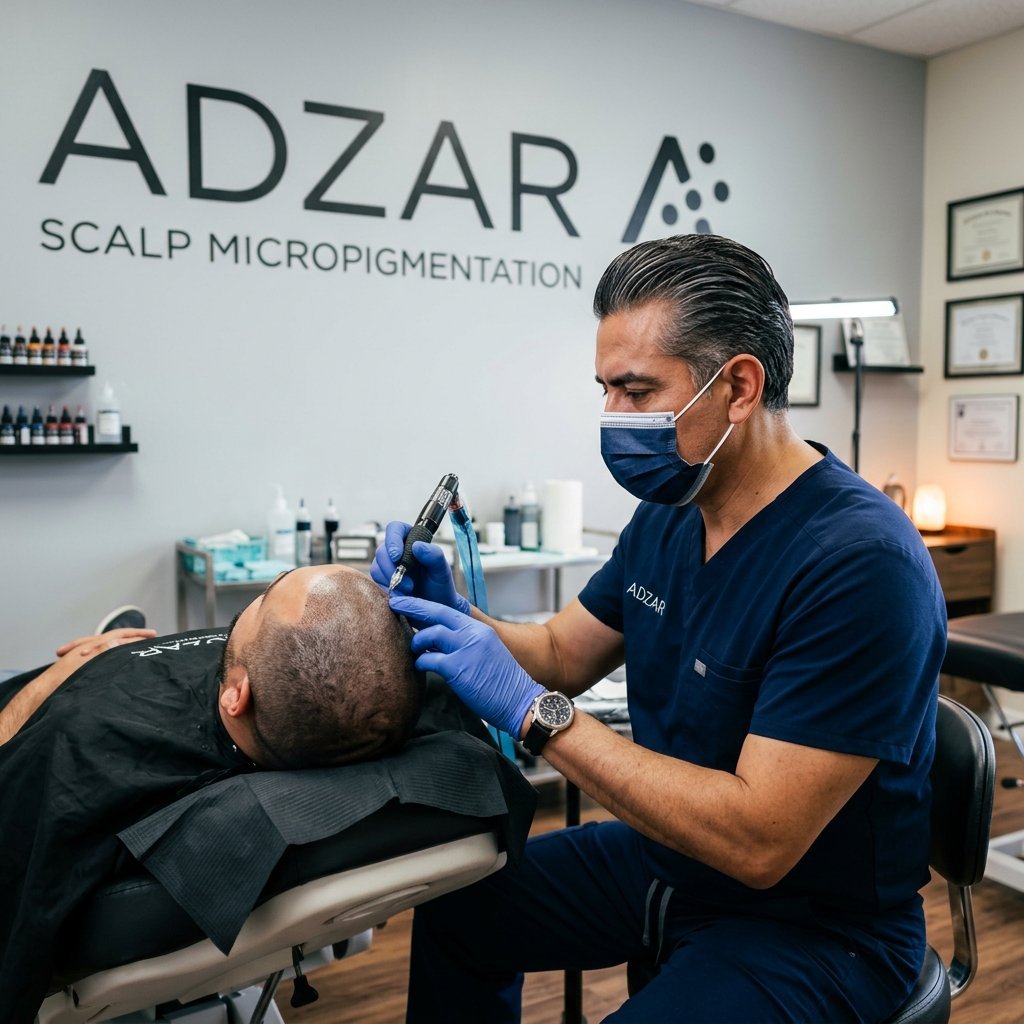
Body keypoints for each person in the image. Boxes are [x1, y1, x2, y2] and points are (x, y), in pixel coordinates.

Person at [373, 233, 947, 1023]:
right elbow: (559, 652)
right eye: (605, 390)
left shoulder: (859, 562)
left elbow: (759, 840)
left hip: (814, 926)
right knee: (459, 907)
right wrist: (458, 615)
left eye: (637, 391)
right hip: (674, 860)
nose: (612, 417)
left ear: (739, 386)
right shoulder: (674, 512)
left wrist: (533, 713)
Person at [0, 564, 423, 1024]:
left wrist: (57, 679)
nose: (256, 599)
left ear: (235, 695)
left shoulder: (76, 743)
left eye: (262, 602)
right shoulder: (376, 716)